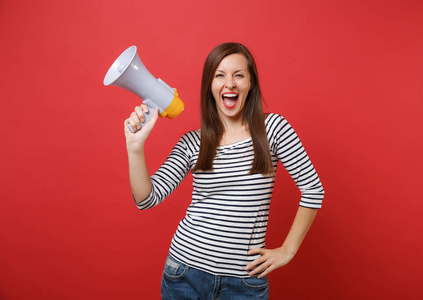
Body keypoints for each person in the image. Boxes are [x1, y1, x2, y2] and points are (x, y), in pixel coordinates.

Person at [124, 42, 325, 300]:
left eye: (238, 75)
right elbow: (146, 199)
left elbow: (313, 191)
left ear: (250, 83)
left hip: (244, 283)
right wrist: (135, 147)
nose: (229, 83)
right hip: (184, 273)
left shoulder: (273, 129)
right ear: (210, 85)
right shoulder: (192, 142)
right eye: (220, 75)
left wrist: (288, 250)